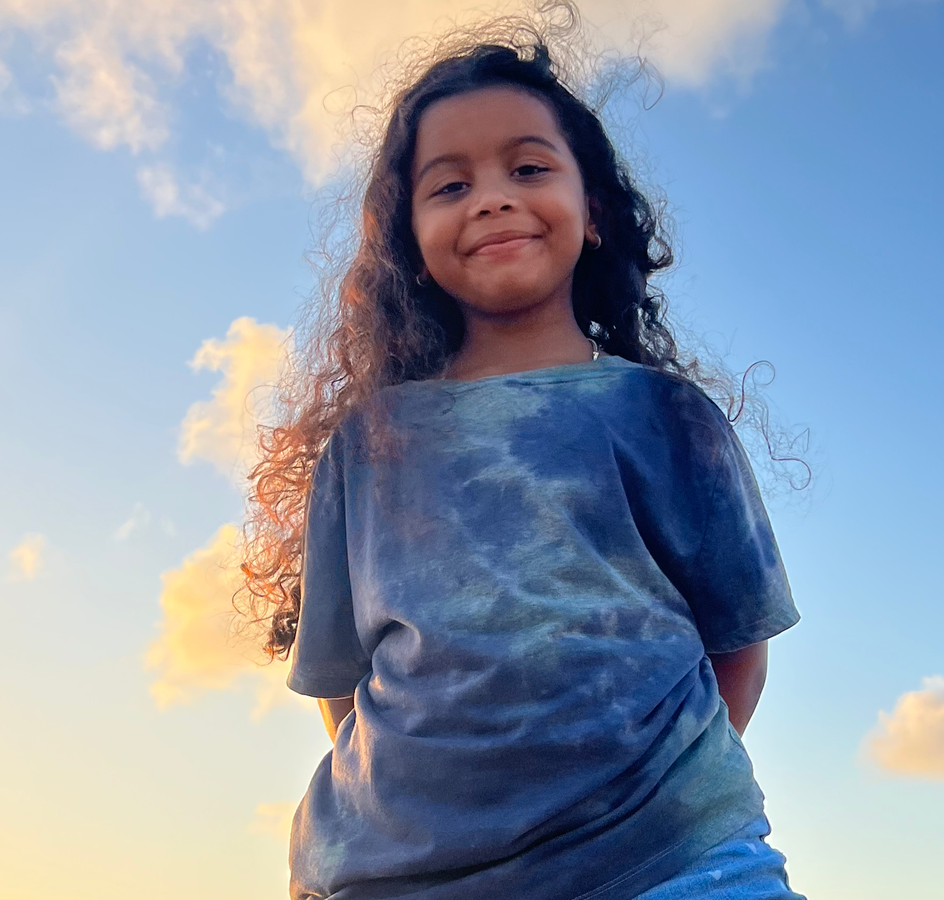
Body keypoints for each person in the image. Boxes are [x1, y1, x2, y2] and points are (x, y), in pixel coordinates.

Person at [240, 12, 806, 900]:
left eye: (529, 168)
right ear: (408, 242)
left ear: (596, 212)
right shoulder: (369, 443)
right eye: (450, 184)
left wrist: (642, 806)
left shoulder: (666, 415)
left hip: (672, 863)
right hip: (391, 880)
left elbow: (739, 648)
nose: (493, 199)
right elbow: (340, 687)